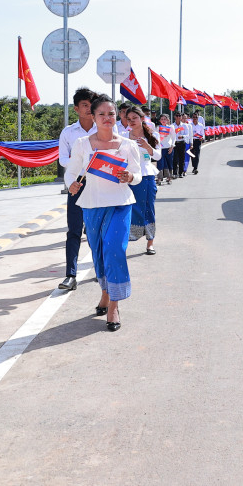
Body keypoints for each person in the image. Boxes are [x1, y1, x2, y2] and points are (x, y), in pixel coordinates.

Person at [64, 95, 143, 332]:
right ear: (93, 117)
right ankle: (105, 294)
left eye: (111, 114)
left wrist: (129, 177)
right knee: (99, 253)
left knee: (114, 250)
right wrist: (72, 185)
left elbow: (137, 175)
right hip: (92, 205)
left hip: (120, 203)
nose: (107, 118)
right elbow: (71, 172)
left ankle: (114, 307)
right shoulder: (82, 144)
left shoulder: (127, 145)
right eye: (102, 114)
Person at [56, 87, 97, 291]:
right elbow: (63, 158)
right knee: (74, 230)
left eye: (92, 105)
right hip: (77, 184)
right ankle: (70, 275)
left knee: (95, 230)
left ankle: (101, 270)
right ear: (76, 109)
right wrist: (77, 167)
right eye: (85, 105)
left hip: (99, 185)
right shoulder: (68, 132)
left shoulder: (104, 129)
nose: (89, 109)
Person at [126, 106, 160, 255]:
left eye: (135, 118)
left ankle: (150, 242)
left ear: (141, 119)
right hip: (130, 177)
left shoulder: (152, 135)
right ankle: (127, 238)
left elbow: (158, 156)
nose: (132, 121)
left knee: (148, 207)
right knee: (130, 208)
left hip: (147, 176)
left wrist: (148, 147)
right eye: (129, 119)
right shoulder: (123, 137)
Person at [156, 113, 176, 185]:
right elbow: (155, 137)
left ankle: (169, 177)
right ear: (159, 120)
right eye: (162, 119)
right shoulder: (158, 128)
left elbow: (174, 137)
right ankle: (159, 178)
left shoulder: (171, 127)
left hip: (168, 148)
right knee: (160, 163)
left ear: (167, 120)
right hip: (160, 148)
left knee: (169, 163)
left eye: (165, 119)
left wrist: (172, 146)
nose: (163, 121)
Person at [172, 112, 188, 178]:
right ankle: (175, 173)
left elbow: (187, 135)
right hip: (175, 143)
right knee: (175, 159)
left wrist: (182, 136)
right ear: (175, 117)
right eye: (177, 115)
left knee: (182, 159)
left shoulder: (184, 125)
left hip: (182, 143)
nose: (178, 117)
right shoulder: (172, 125)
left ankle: (181, 172)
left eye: (179, 116)